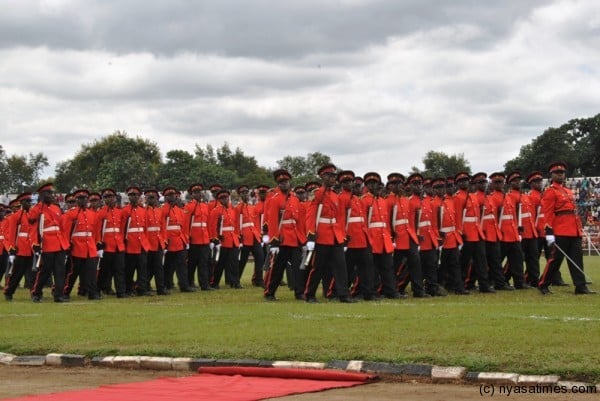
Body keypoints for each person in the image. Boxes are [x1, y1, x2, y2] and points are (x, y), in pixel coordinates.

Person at [538, 162, 596, 295]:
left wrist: (579, 229)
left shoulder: (568, 191)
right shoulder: (550, 191)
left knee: (577, 258)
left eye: (562, 173)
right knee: (555, 259)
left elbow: (573, 212)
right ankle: (543, 284)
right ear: (551, 175)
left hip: (573, 230)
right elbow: (547, 213)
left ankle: (580, 286)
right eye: (557, 173)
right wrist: (549, 232)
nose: (560, 175)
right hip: (560, 230)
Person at [304, 163, 356, 303]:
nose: (333, 178)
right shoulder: (316, 194)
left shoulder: (335, 195)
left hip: (335, 236)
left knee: (341, 267)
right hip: (321, 235)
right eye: (330, 176)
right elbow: (311, 216)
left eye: (334, 176)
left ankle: (343, 294)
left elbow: (339, 218)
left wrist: (342, 235)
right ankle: (309, 294)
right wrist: (310, 235)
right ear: (323, 177)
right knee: (318, 267)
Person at [263, 169, 305, 301]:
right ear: (278, 184)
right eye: (281, 182)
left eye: (286, 181)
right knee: (277, 268)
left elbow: (299, 221)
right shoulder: (275, 199)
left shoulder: (294, 199)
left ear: (289, 182)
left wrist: (302, 239)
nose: (284, 184)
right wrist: (274, 241)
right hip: (281, 239)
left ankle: (299, 292)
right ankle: (269, 292)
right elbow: (273, 221)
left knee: (298, 267)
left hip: (294, 238)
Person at [361, 172, 402, 299]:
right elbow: (364, 222)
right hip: (372, 238)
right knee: (372, 268)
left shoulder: (382, 201)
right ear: (367, 186)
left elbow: (387, 222)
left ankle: (391, 291)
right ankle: (371, 292)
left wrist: (390, 237)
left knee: (388, 267)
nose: (373, 186)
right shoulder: (364, 200)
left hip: (384, 238)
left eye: (376, 183)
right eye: (371, 184)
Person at [28, 183, 70, 303]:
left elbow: (62, 228)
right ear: (42, 195)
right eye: (49, 193)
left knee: (60, 271)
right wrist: (35, 243)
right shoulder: (36, 209)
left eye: (52, 193)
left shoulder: (56, 208)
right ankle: (36, 293)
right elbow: (32, 227)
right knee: (45, 271)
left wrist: (65, 244)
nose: (52, 195)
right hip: (47, 244)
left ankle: (58, 295)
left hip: (59, 243)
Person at [454, 173, 495, 293]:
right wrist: (460, 232)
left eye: (466, 180)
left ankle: (484, 285)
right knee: (464, 262)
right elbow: (458, 217)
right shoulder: (458, 197)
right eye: (461, 181)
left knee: (481, 261)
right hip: (466, 234)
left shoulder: (472, 196)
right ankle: (460, 286)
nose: (464, 183)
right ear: (458, 184)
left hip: (477, 233)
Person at [339, 173, 378, 300]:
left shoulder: (357, 199)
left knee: (367, 267)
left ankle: (368, 292)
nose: (352, 186)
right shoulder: (341, 198)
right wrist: (343, 236)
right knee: (347, 268)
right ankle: (338, 291)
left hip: (362, 237)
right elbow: (341, 220)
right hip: (350, 238)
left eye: (354, 183)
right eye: (348, 183)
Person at [62, 189, 102, 300]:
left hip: (90, 246)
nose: (83, 200)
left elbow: (96, 231)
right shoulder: (71, 214)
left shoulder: (92, 214)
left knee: (91, 272)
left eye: (84, 198)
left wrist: (97, 245)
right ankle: (65, 292)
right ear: (76, 200)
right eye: (80, 198)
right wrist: (66, 246)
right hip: (76, 246)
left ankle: (92, 293)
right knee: (73, 272)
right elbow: (65, 231)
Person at [95, 188, 127, 298]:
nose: (110, 199)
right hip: (106, 246)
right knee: (104, 271)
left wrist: (122, 241)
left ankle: (121, 292)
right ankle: (98, 289)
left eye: (111, 197)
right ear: (104, 199)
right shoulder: (101, 213)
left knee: (120, 270)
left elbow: (122, 228)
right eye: (107, 197)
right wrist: (99, 244)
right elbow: (97, 230)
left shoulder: (119, 212)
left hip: (118, 245)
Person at [162, 186, 195, 293]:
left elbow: (183, 227)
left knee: (182, 265)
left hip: (179, 241)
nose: (172, 197)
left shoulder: (179, 210)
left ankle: (184, 285)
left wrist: (185, 240)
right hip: (169, 241)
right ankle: (167, 284)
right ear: (166, 197)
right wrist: (164, 240)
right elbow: (162, 226)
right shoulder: (163, 209)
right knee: (168, 266)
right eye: (169, 196)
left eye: (173, 195)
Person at [3, 193, 35, 300]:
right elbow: (12, 234)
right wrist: (11, 250)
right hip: (20, 249)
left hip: (31, 249)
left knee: (32, 274)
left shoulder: (32, 215)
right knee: (17, 274)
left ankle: (34, 293)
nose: (29, 204)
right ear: (22, 203)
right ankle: (8, 292)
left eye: (30, 201)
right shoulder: (15, 217)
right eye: (27, 201)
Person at [121, 186, 152, 296]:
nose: (134, 197)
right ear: (128, 197)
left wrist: (146, 243)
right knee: (129, 269)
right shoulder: (124, 211)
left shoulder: (142, 211)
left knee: (142, 269)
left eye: (136, 195)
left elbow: (145, 229)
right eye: (131, 195)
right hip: (130, 244)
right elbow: (122, 229)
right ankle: (129, 289)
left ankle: (142, 289)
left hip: (141, 244)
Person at [209, 189, 242, 289]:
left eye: (226, 198)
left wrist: (238, 236)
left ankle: (235, 282)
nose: (225, 200)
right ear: (219, 200)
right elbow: (212, 226)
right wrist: (215, 238)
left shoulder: (232, 210)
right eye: (222, 198)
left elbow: (236, 225)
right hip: (222, 240)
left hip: (233, 239)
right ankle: (215, 282)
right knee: (220, 263)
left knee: (234, 262)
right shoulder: (216, 211)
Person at [183, 183, 212, 291]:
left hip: (204, 239)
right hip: (194, 239)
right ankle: (189, 282)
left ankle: (204, 285)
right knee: (192, 264)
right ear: (192, 194)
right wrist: (187, 238)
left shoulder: (205, 206)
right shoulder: (189, 206)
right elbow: (186, 224)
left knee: (203, 263)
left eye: (199, 192)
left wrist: (209, 237)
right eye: (195, 192)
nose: (198, 194)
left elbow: (207, 223)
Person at [235, 185, 265, 288]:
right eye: (243, 192)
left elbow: (256, 222)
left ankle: (259, 279)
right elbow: (236, 223)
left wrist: (259, 234)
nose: (245, 194)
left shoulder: (252, 207)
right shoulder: (238, 207)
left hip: (254, 236)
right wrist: (238, 236)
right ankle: (236, 280)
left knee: (260, 257)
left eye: (246, 192)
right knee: (242, 260)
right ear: (240, 195)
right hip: (244, 237)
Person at [144, 189, 169, 295]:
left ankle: (161, 288)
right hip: (148, 243)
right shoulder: (143, 211)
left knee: (159, 267)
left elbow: (163, 227)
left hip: (158, 243)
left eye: (153, 197)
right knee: (147, 268)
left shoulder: (159, 211)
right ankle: (143, 286)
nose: (152, 199)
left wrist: (164, 240)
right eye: (149, 197)